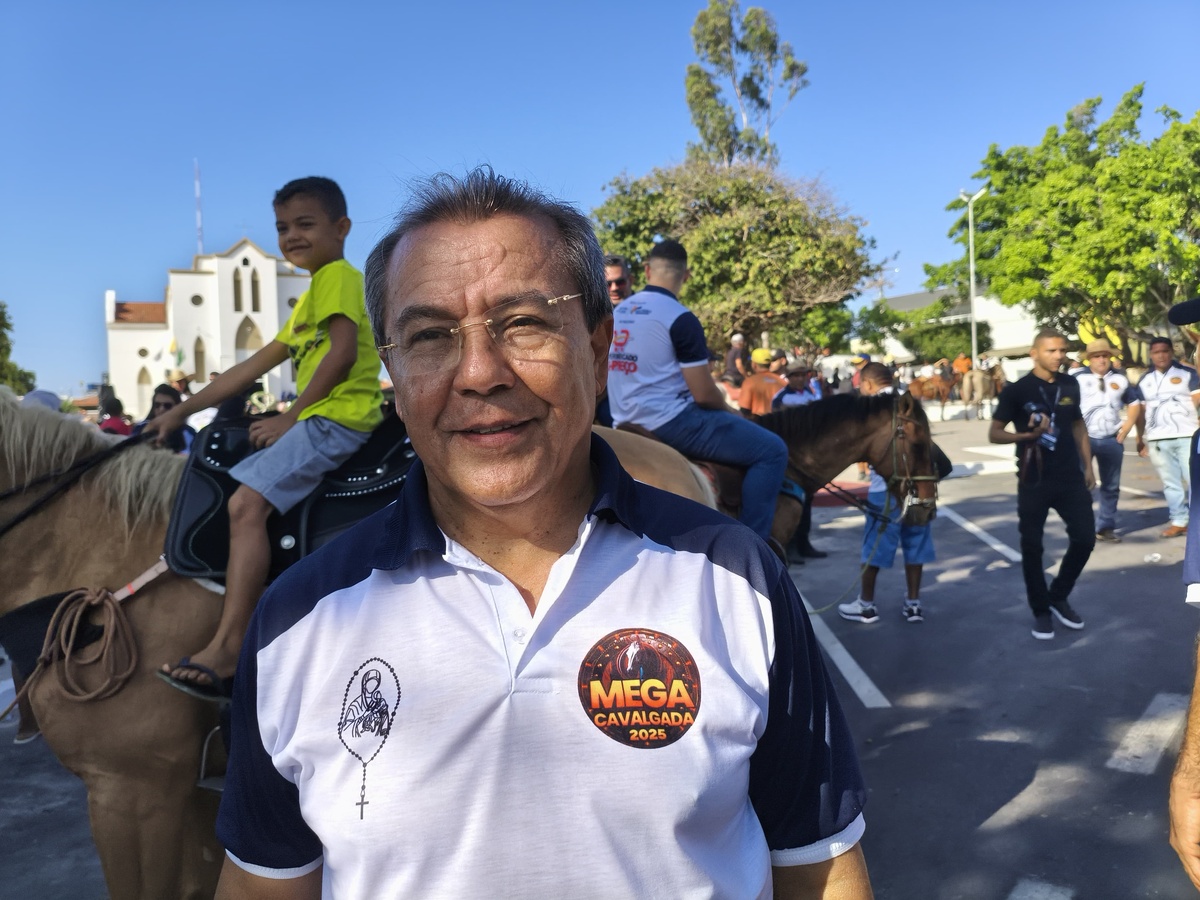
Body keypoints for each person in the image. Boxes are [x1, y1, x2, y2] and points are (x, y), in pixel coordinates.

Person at [211, 169, 871, 898]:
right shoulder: (294, 620)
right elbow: (261, 885)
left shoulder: (738, 579)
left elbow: (820, 869)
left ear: (595, 347)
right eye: (430, 336)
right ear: (393, 374)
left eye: (523, 323)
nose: (481, 373)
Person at [142, 176, 383, 697]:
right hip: (322, 414)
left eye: (305, 224)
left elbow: (341, 353)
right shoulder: (313, 292)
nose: (291, 236)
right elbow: (251, 367)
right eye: (282, 227)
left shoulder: (338, 276)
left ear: (341, 228)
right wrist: (180, 412)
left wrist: (291, 417)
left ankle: (230, 646)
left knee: (245, 507)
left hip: (336, 417)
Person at [606, 240, 788, 542]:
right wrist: (731, 411)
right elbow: (703, 394)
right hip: (672, 422)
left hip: (621, 418)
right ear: (686, 275)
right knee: (772, 451)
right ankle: (756, 547)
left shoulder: (616, 312)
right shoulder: (679, 317)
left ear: (647, 270)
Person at [989, 329, 1096, 640]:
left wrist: (1088, 466)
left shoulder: (1069, 384)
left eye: (1062, 350)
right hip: (1033, 479)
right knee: (1032, 547)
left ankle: (1058, 594)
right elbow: (994, 432)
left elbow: (1078, 424)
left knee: (1085, 538)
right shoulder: (1017, 390)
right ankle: (1041, 611)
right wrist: (1025, 437)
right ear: (1034, 353)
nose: (1058, 356)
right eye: (1051, 350)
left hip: (1069, 477)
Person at [839, 363, 933, 624]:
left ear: (868, 384)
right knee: (916, 545)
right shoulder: (911, 404)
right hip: (918, 488)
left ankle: (866, 605)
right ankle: (913, 604)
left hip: (886, 490)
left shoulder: (871, 409)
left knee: (874, 548)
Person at [1069, 338, 1142, 542]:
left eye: (1105, 356)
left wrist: (1128, 426)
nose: (1101, 360)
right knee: (1082, 483)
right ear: (1089, 359)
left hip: (1111, 438)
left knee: (1111, 485)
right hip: (1083, 438)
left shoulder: (1121, 379)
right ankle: (1082, 527)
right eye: (1096, 356)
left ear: (1110, 357)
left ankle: (1105, 527)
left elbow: (1134, 402)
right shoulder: (1076, 378)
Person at [1136, 336, 1200, 538]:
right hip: (1158, 438)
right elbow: (1141, 411)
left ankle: (1197, 521)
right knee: (1170, 483)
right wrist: (1141, 438)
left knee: (1195, 480)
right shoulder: (1144, 380)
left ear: (1171, 352)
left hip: (1186, 435)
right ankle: (1179, 520)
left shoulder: (1187, 373)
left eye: (1165, 351)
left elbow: (1197, 397)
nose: (1161, 355)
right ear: (1151, 355)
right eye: (1156, 352)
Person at [131, 384, 195, 453]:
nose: (161, 409)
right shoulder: (140, 428)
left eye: (167, 406)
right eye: (157, 405)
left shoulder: (187, 432)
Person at [738, 347, 786, 418]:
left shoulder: (749, 382)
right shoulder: (782, 382)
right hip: (779, 425)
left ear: (754, 365)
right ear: (770, 364)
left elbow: (744, 410)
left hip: (758, 426)